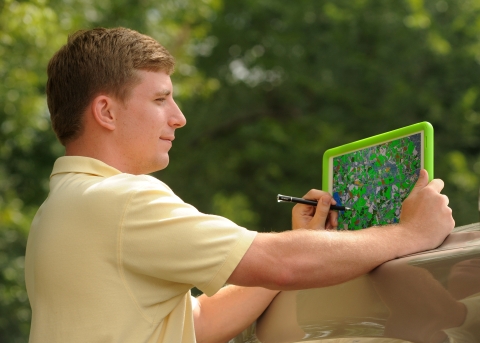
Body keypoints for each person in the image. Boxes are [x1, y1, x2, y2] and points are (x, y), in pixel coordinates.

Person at [24, 27, 455, 343]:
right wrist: (410, 233)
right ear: (106, 111)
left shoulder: (61, 208)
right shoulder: (120, 199)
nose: (178, 117)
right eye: (160, 99)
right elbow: (279, 264)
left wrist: (300, 239)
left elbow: (201, 321)